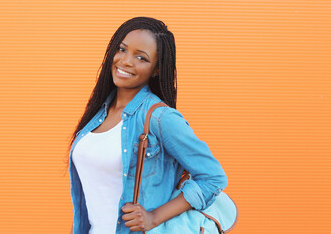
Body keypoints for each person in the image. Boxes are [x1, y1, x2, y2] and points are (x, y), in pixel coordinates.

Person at [68, 17, 228, 234]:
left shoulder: (160, 118)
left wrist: (153, 217)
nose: (126, 61)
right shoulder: (98, 115)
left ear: (156, 69)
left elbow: (213, 177)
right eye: (122, 50)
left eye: (141, 57)